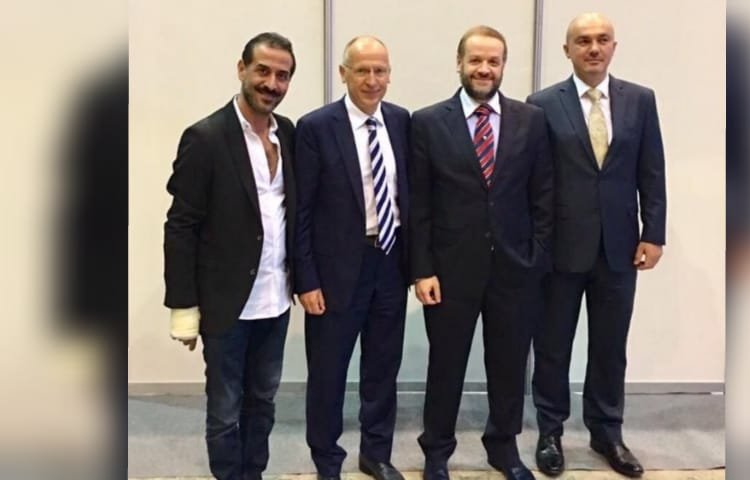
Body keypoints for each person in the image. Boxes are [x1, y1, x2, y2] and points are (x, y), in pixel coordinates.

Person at [409, 25, 553, 480]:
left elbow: (544, 194)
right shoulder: (428, 122)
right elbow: (419, 204)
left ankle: (503, 447)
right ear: (459, 63)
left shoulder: (531, 120)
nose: (484, 69)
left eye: (493, 61)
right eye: (475, 60)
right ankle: (436, 451)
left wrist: (536, 256)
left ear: (504, 66)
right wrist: (422, 270)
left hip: (515, 269)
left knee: (509, 365)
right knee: (446, 365)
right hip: (449, 272)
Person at [526, 13, 666, 478]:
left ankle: (607, 432)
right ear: (567, 50)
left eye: (602, 40)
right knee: (553, 345)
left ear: (614, 47)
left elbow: (652, 170)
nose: (593, 48)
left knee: (610, 346)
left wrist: (654, 232)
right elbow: (534, 181)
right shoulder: (542, 105)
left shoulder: (639, 100)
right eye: (583, 41)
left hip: (620, 248)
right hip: (560, 249)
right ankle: (550, 432)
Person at [163, 32, 297, 480]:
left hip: (276, 301)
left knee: (263, 402)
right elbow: (180, 226)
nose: (272, 83)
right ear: (241, 69)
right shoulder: (205, 137)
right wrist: (183, 307)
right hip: (226, 305)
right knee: (225, 409)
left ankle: (252, 473)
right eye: (263, 71)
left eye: (282, 75)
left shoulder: (288, 133)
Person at [293, 36, 410, 480]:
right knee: (328, 374)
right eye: (362, 70)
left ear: (389, 74)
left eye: (380, 70)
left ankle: (376, 453)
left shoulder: (401, 121)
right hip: (335, 271)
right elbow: (301, 211)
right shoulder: (316, 127)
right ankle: (327, 460)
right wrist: (305, 279)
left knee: (383, 368)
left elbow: (410, 198)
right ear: (343, 73)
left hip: (390, 262)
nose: (372, 79)